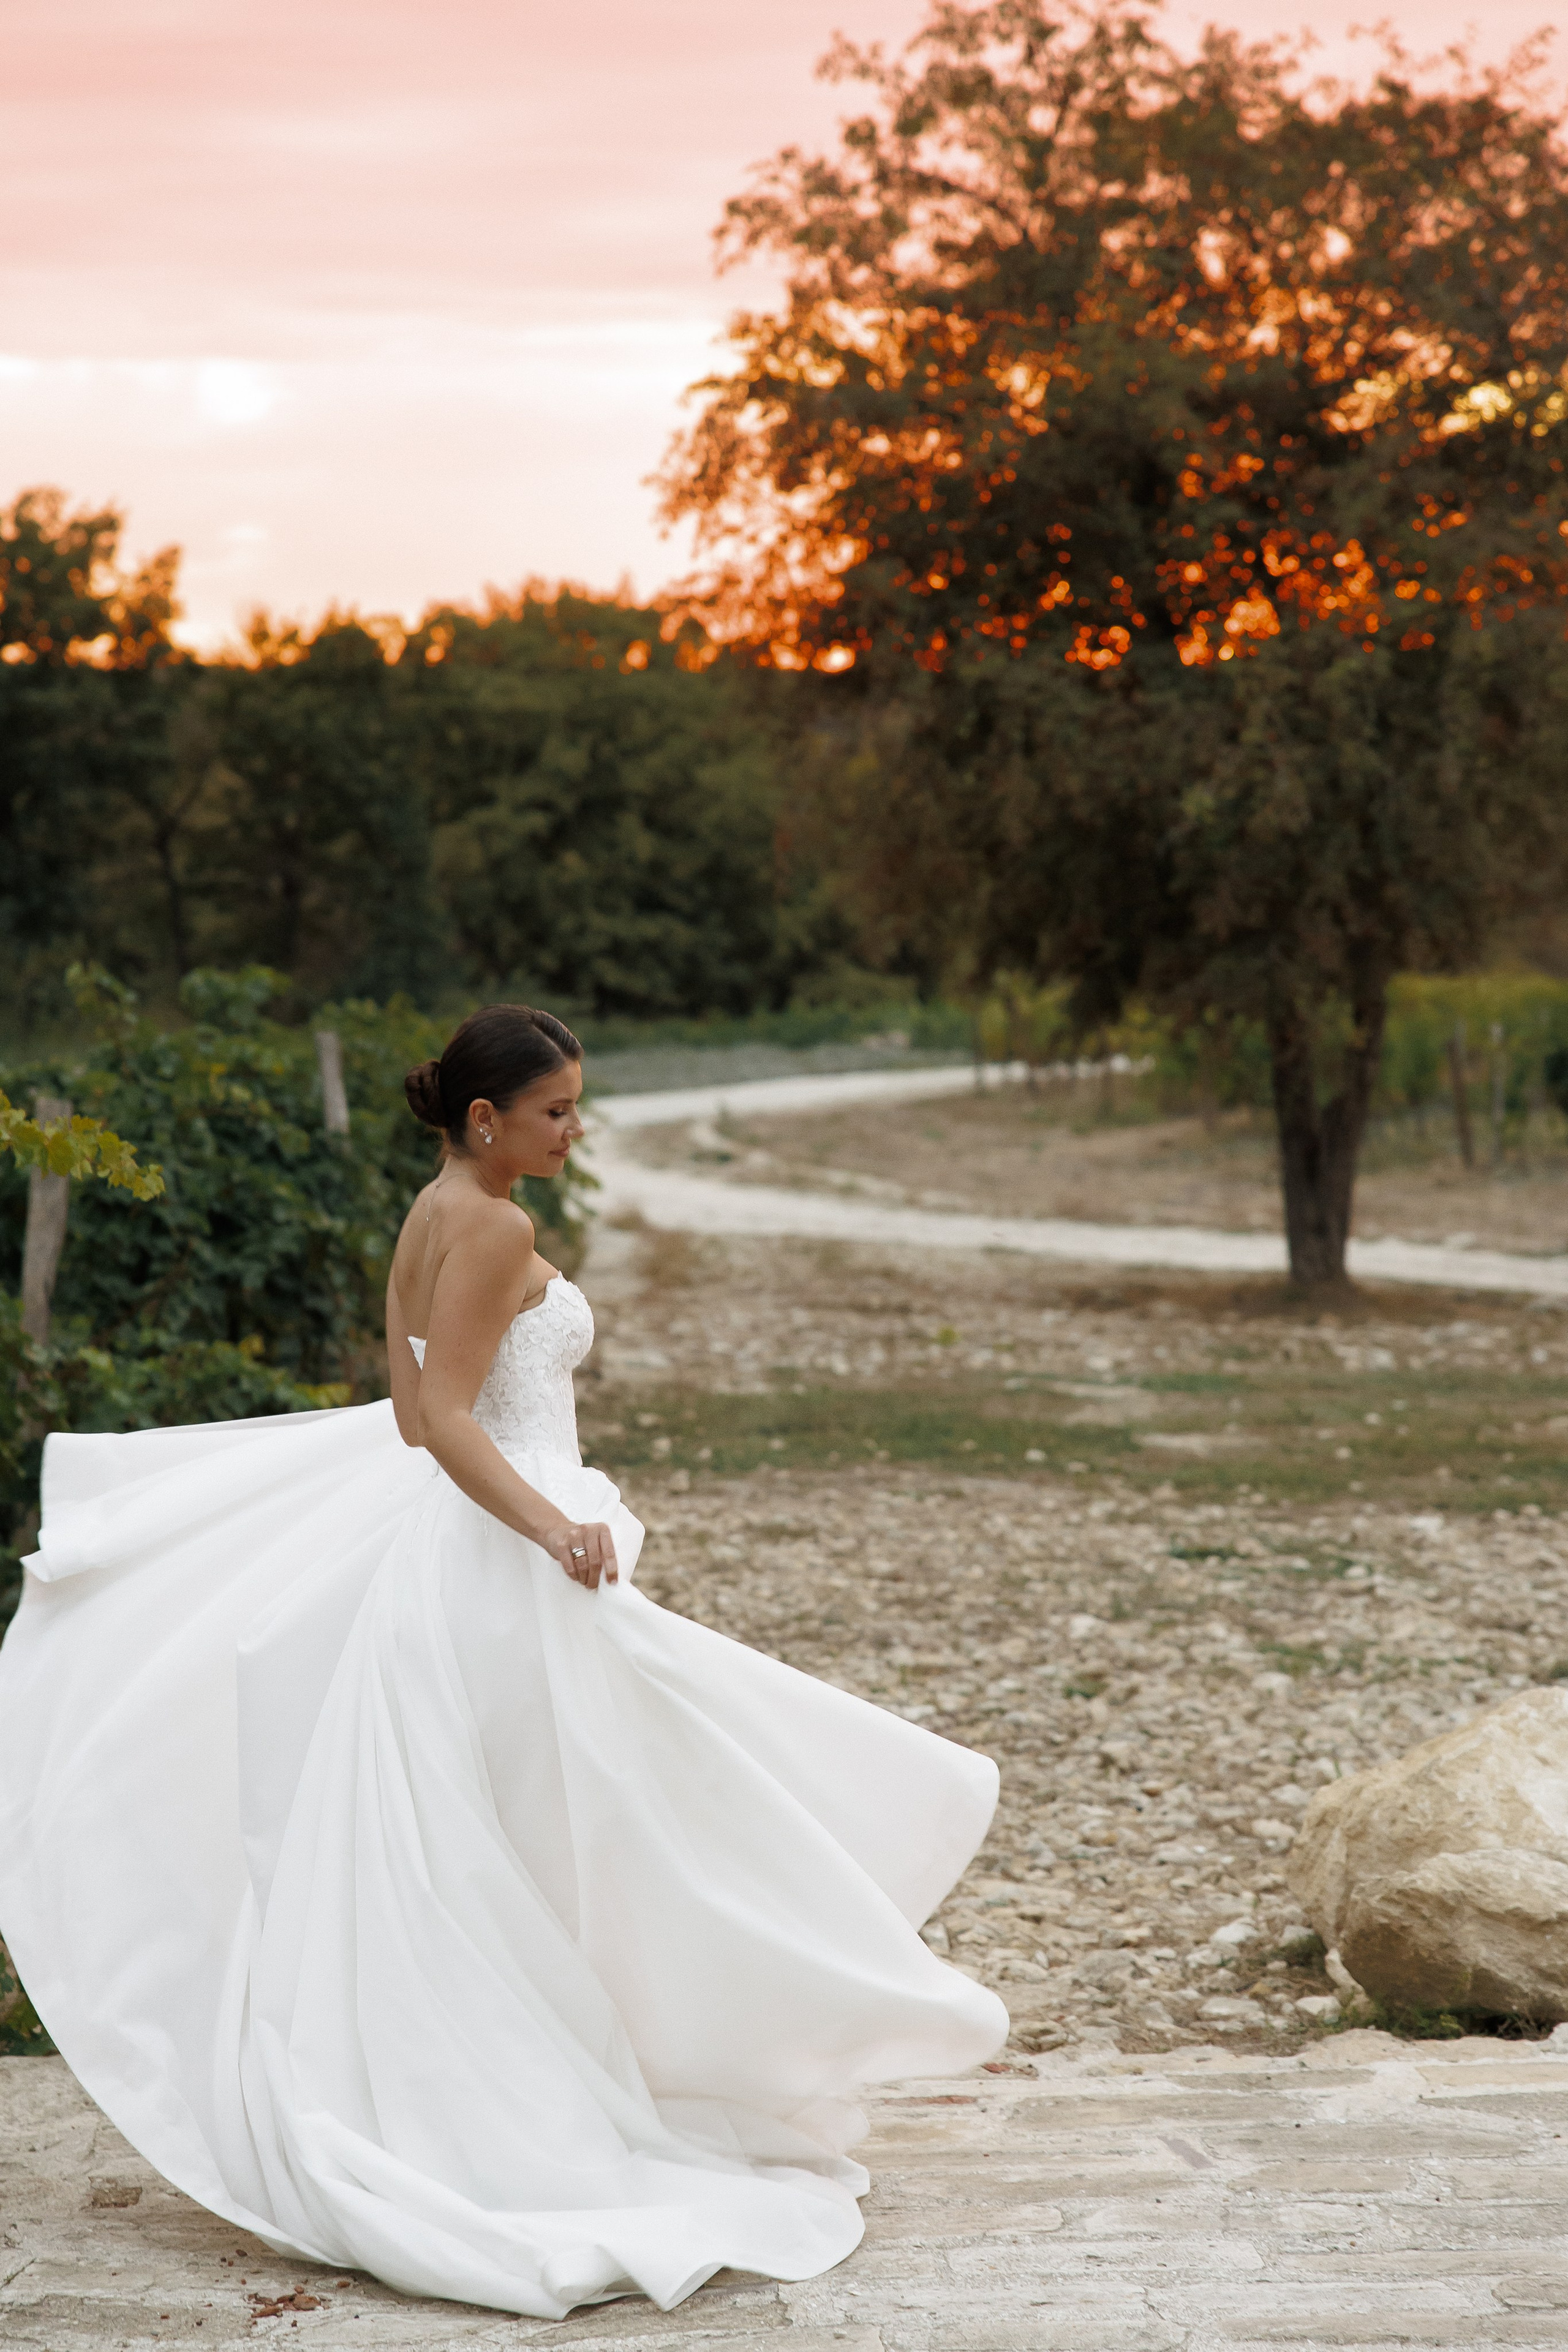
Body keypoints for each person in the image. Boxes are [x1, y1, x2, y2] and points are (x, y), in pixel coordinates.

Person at [0, 1003, 1006, 2320]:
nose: (574, 1131)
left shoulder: (427, 1212)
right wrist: (552, 1523)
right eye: (557, 1111)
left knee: (550, 1815)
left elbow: (411, 1410)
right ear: (488, 1120)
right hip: (509, 1551)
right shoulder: (496, 1225)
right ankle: (783, 2001)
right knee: (644, 1785)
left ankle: (650, 2036)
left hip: (465, 1545)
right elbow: (451, 1422)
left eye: (577, 1107)